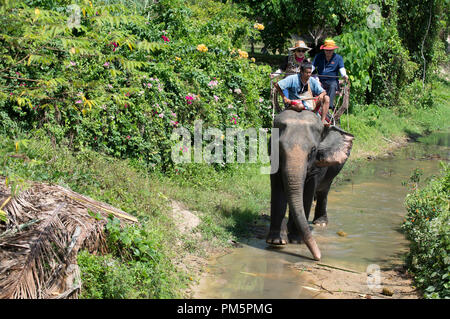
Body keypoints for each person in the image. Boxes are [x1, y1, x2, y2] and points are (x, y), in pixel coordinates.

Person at [274, 62, 330, 126]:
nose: (309, 75)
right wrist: (284, 97)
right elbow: (277, 85)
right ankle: (290, 108)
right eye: (307, 73)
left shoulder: (312, 80)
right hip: (296, 102)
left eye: (310, 73)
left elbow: (324, 92)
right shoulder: (292, 78)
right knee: (300, 106)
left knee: (326, 98)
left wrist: (321, 95)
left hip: (309, 103)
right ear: (301, 72)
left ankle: (322, 122)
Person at [312, 39, 348, 110]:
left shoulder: (338, 58)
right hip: (320, 80)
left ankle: (329, 106)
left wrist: (344, 75)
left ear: (333, 50)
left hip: (332, 80)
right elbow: (312, 67)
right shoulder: (318, 56)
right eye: (327, 50)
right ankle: (314, 105)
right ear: (324, 50)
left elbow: (342, 68)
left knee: (333, 85)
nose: (328, 52)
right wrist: (307, 73)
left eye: (330, 50)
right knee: (314, 84)